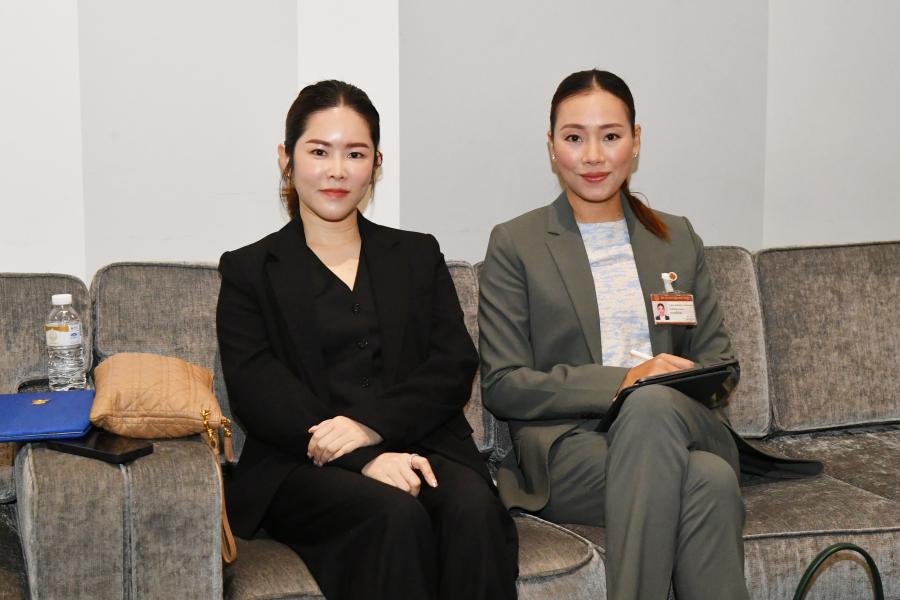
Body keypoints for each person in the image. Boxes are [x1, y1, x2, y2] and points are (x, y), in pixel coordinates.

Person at [478, 69, 820, 600]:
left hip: (684, 426)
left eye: (611, 136)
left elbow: (720, 364)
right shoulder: (516, 243)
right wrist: (626, 380)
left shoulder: (676, 237)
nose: (594, 156)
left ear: (635, 141)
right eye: (575, 137)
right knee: (709, 481)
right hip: (570, 451)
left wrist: (651, 390)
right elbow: (503, 384)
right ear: (551, 146)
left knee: (653, 405)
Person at [217, 80, 518, 600]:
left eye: (354, 154)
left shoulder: (417, 255)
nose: (337, 170)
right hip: (301, 465)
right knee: (392, 513)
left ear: (376, 163)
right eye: (319, 151)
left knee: (472, 509)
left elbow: (452, 363)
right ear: (286, 158)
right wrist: (362, 458)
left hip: (421, 442)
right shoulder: (250, 270)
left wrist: (369, 426)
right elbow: (257, 389)